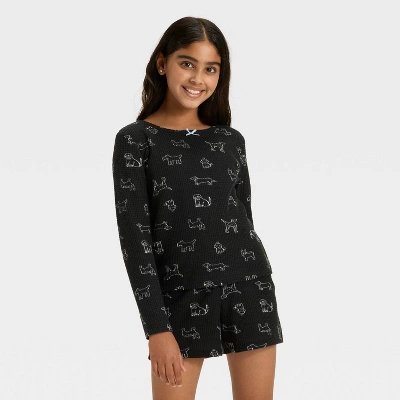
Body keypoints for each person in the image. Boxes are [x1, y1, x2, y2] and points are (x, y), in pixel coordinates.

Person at [112, 16, 283, 400]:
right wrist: (156, 328)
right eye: (187, 63)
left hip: (249, 287)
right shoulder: (136, 140)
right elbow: (135, 241)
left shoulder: (230, 140)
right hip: (180, 297)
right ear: (162, 63)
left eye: (211, 68)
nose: (198, 78)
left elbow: (243, 219)